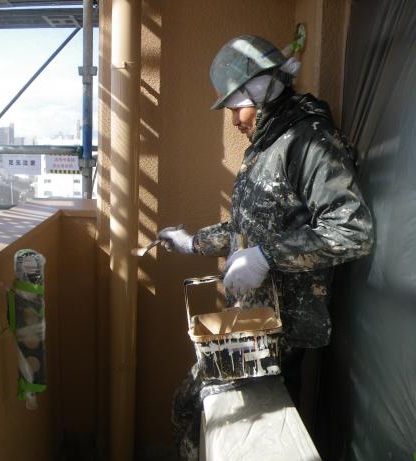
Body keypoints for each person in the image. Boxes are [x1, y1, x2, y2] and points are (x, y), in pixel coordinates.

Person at [157, 35, 374, 461]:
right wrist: (192, 242)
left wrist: (266, 256)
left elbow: (353, 230)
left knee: (197, 410)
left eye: (235, 106)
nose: (233, 120)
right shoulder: (268, 145)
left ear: (261, 92)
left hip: (281, 330)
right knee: (196, 412)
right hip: (253, 321)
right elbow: (248, 228)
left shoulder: (310, 142)